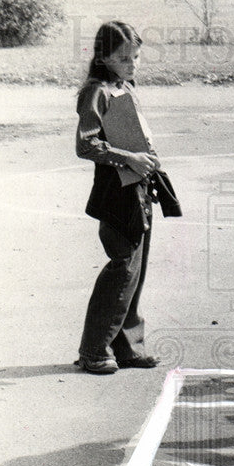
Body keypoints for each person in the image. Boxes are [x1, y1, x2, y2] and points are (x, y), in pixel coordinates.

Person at [74, 21, 161, 374]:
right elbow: (85, 144)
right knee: (121, 268)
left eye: (136, 56)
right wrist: (129, 158)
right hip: (115, 193)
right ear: (103, 56)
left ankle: (126, 347)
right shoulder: (96, 92)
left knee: (135, 270)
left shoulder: (123, 87)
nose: (132, 63)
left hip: (137, 188)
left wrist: (146, 164)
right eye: (123, 57)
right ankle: (94, 349)